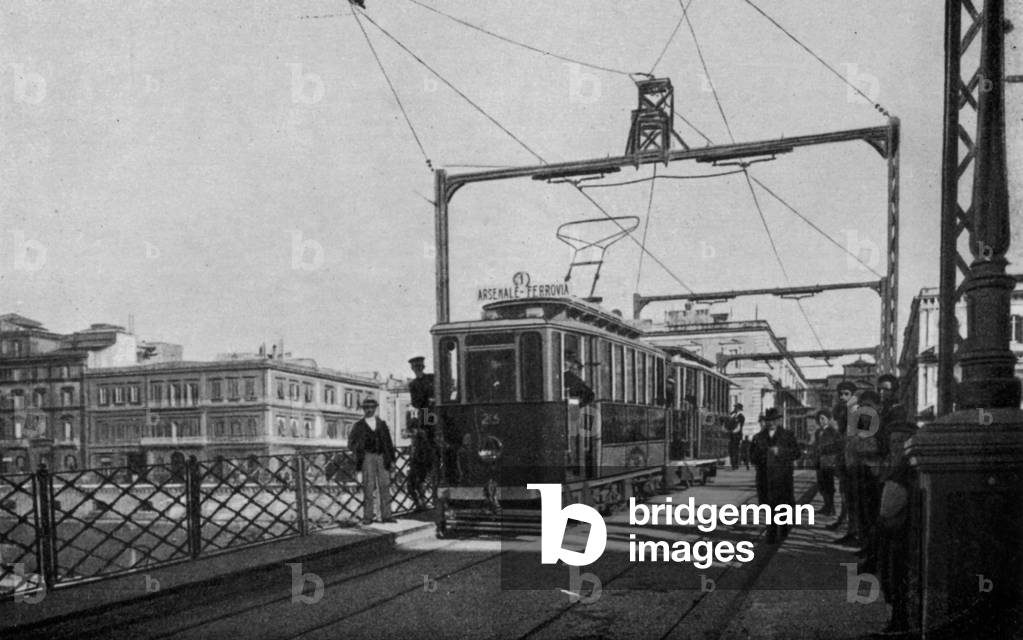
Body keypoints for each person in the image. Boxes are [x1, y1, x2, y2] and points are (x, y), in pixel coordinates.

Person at [750, 407, 801, 544]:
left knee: (783, 506)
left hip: (783, 477)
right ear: (765, 421)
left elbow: (797, 453)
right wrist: (764, 455)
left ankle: (784, 533)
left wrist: (781, 452)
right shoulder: (758, 437)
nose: (771, 423)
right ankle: (771, 534)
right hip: (765, 478)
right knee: (768, 507)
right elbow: (751, 457)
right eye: (768, 420)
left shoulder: (787, 435)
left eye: (774, 420)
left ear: (779, 420)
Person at [348, 396, 397, 524]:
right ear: (363, 410)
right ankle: (368, 517)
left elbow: (388, 443)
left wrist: (392, 460)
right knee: (368, 487)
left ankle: (387, 515)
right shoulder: (358, 426)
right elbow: (351, 443)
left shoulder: (382, 424)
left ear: (375, 409)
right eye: (367, 408)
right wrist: (360, 450)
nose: (369, 410)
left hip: (382, 456)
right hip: (367, 457)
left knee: (384, 486)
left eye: (372, 407)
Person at [829, 380, 859, 541]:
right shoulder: (843, 410)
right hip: (845, 457)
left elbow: (852, 437)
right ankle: (845, 523)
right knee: (845, 492)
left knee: (851, 495)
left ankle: (852, 530)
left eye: (846, 394)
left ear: (852, 395)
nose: (842, 397)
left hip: (853, 459)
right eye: (840, 394)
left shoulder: (855, 410)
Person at [406, 356, 435, 508]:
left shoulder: (432, 378)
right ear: (413, 368)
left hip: (432, 411)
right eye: (415, 366)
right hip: (426, 413)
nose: (418, 368)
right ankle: (420, 501)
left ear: (423, 366)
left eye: (420, 365)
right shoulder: (413, 384)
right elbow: (417, 403)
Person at [813, 408, 841, 516]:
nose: (821, 421)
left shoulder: (833, 432)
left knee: (829, 485)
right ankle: (826, 506)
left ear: (828, 419)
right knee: (821, 485)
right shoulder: (817, 432)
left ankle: (831, 508)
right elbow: (816, 445)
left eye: (823, 418)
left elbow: (837, 446)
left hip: (829, 462)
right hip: (819, 462)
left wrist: (825, 449)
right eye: (819, 419)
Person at [726, 403, 745, 470]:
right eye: (735, 407)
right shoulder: (733, 415)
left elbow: (739, 427)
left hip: (737, 436)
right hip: (732, 435)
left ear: (739, 409)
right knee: (731, 450)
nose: (734, 409)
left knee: (735, 450)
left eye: (736, 408)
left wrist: (732, 431)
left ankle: (735, 465)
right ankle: (733, 464)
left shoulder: (741, 417)